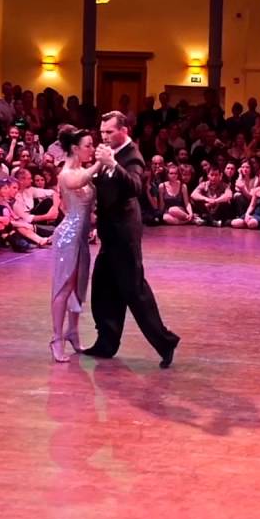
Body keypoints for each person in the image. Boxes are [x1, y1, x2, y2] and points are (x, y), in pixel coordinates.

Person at [83, 111, 180, 368]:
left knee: (134, 291)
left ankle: (165, 341)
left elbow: (136, 187)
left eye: (109, 132)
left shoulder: (131, 155)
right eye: (102, 132)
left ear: (123, 130)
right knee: (103, 287)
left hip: (124, 234)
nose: (104, 137)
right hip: (110, 233)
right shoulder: (109, 153)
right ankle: (107, 342)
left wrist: (113, 164)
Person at [48, 128, 104, 363]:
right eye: (88, 145)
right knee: (64, 288)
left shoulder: (82, 170)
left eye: (93, 146)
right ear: (75, 149)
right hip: (68, 237)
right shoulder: (66, 173)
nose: (92, 149)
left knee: (79, 286)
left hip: (81, 236)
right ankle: (56, 339)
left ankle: (73, 332)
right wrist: (101, 162)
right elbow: (79, 181)